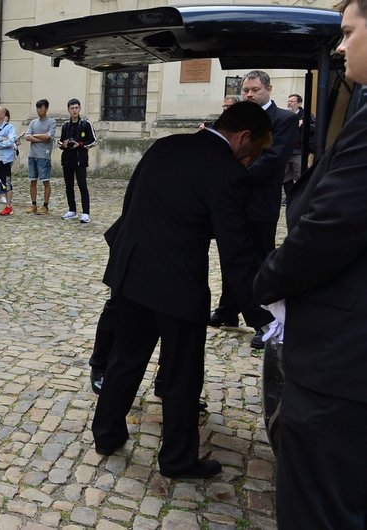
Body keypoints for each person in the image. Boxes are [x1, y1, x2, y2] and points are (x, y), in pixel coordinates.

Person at [92, 101, 271, 480]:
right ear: (242, 137)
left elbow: (131, 206)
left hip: (132, 271)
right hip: (178, 285)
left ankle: (106, 434)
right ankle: (177, 459)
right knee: (181, 375)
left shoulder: (165, 145)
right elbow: (235, 253)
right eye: (253, 153)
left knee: (125, 358)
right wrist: (261, 319)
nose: (250, 161)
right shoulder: (228, 172)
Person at [252, 0, 367, 529]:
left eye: (347, 33)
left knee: (319, 504)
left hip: (342, 363)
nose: (340, 48)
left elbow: (332, 226)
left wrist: (267, 278)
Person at [209, 70, 298, 349]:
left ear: (268, 89)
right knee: (231, 254)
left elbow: (273, 159)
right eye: (246, 90)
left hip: (260, 201)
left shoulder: (284, 119)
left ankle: (266, 320)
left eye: (255, 90)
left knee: (259, 258)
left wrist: (233, 177)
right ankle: (227, 310)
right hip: (233, 201)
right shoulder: (236, 119)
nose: (249, 94)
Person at [58, 98, 97, 223]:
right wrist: (63, 144)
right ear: (68, 110)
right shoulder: (65, 125)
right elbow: (60, 141)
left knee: (82, 185)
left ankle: (86, 213)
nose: (74, 110)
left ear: (79, 109)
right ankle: (72, 210)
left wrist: (79, 144)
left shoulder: (86, 124)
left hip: (80, 159)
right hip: (67, 159)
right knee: (69, 186)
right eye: (72, 108)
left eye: (76, 108)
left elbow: (93, 141)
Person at [24, 99, 56, 214]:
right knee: (33, 180)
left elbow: (48, 137)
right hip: (32, 155)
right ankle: (33, 204)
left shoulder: (51, 122)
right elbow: (27, 136)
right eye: (37, 108)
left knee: (45, 181)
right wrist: (39, 138)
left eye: (40, 108)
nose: (38, 110)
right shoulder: (33, 122)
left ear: (46, 108)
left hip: (44, 155)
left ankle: (45, 205)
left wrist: (35, 136)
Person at [282, 93, 314, 201]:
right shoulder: (285, 115)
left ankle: (305, 197)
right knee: (285, 176)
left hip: (299, 151)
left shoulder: (306, 115)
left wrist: (304, 124)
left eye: (292, 101)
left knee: (302, 174)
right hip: (286, 151)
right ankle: (289, 197)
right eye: (289, 101)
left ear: (299, 103)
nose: (289, 103)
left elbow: (314, 128)